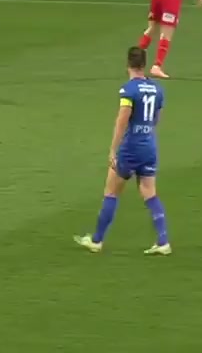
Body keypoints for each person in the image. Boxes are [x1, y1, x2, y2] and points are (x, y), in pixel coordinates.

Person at [74, 47, 172, 256]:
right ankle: (163, 241)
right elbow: (157, 119)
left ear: (128, 64)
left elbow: (121, 121)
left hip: (130, 149)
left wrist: (113, 149)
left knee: (111, 192)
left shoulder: (129, 90)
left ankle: (96, 240)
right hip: (149, 146)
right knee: (149, 192)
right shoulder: (158, 89)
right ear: (144, 65)